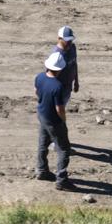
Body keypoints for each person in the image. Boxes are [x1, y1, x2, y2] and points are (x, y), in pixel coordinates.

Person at [35, 51, 74, 190]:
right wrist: (63, 121)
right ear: (60, 69)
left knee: (43, 143)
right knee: (64, 149)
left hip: (42, 115)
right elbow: (59, 109)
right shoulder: (58, 86)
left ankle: (42, 171)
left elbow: (36, 92)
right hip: (54, 121)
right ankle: (61, 180)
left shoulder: (39, 77)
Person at [52, 25, 80, 104]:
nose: (69, 43)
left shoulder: (72, 48)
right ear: (59, 39)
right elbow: (50, 76)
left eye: (71, 40)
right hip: (58, 90)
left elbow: (74, 64)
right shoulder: (56, 55)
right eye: (66, 40)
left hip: (68, 87)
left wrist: (76, 81)